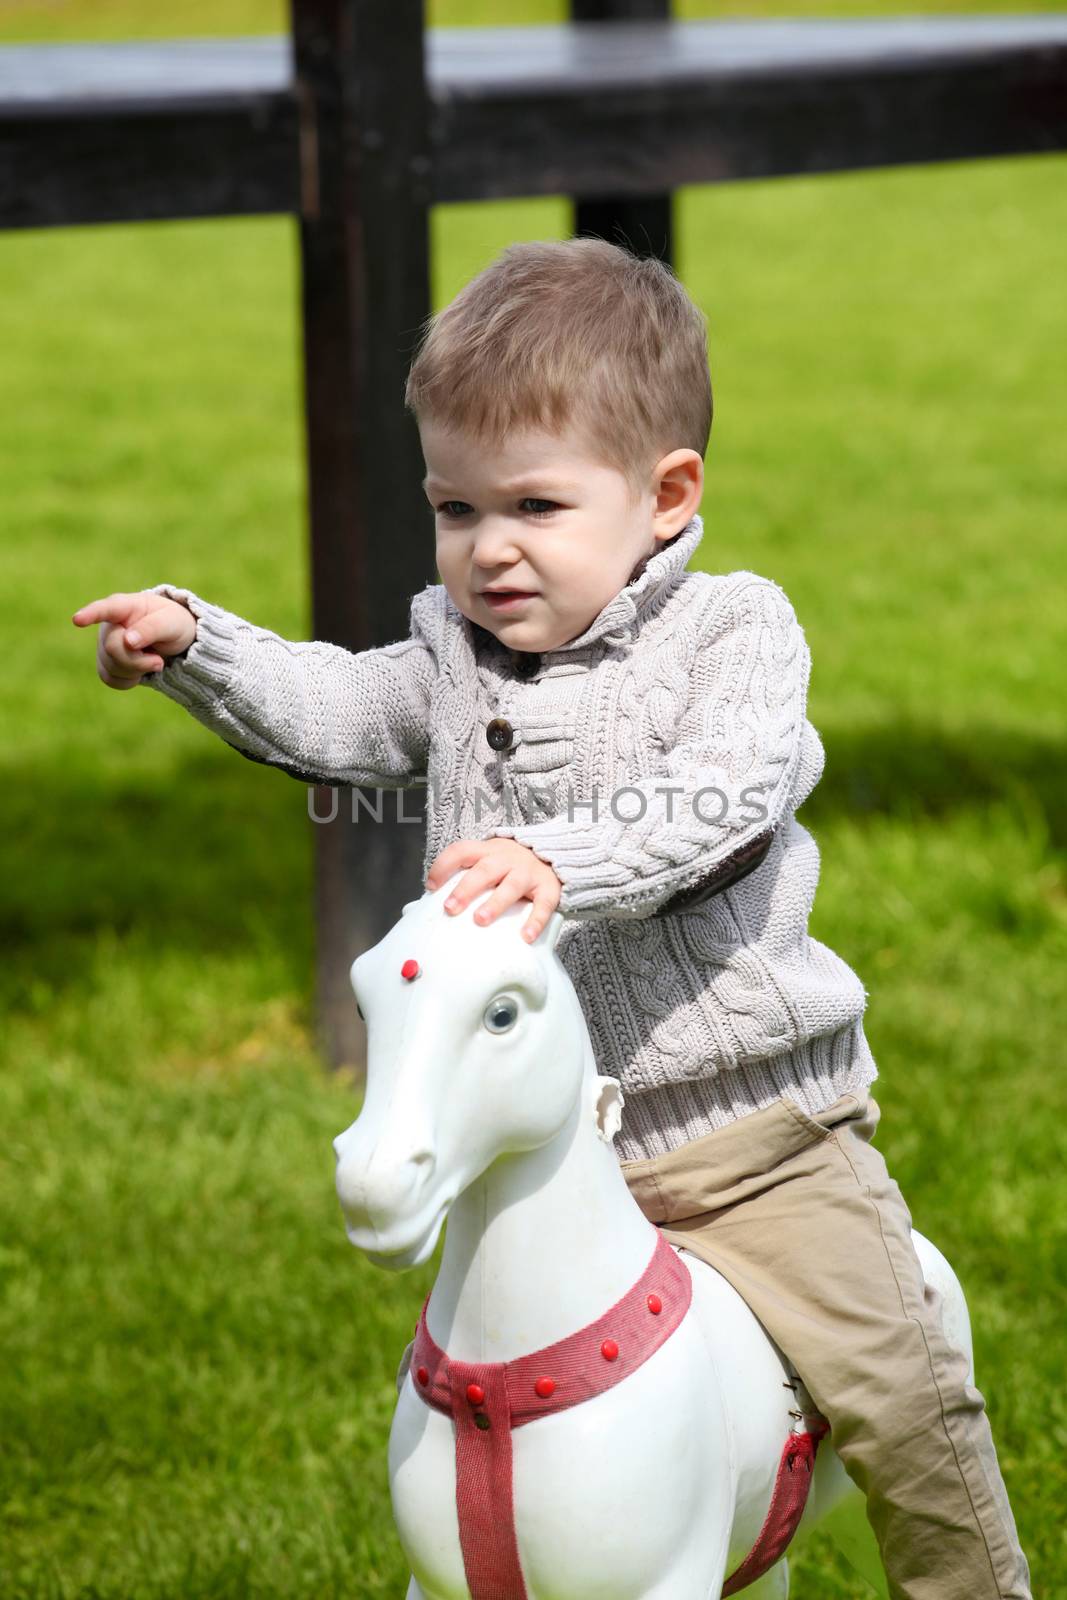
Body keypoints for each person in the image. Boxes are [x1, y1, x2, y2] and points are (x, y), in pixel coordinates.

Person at [72, 237, 1030, 1599]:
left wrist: (556, 858)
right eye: (455, 509)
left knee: (905, 1391)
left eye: (533, 504)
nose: (488, 547)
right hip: (541, 1155)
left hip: (749, 1134)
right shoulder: (457, 660)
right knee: (492, 1408)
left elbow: (725, 790)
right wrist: (198, 644)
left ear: (665, 494)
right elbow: (343, 706)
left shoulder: (733, 635)